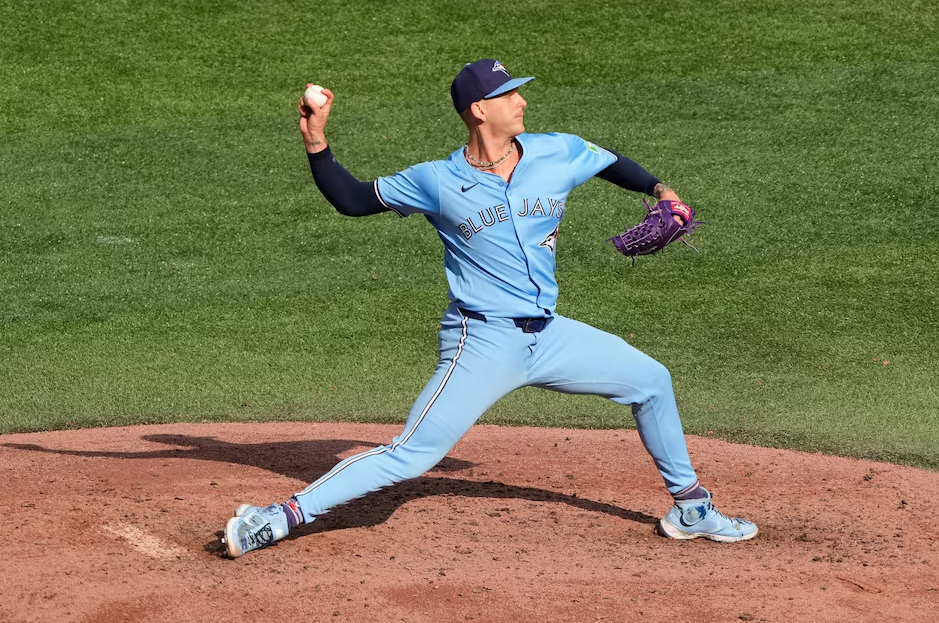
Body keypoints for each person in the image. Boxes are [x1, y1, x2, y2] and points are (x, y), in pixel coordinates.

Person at [222, 59, 757, 558]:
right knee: (413, 453)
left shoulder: (556, 151)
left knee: (651, 380)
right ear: (480, 110)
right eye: (510, 94)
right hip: (481, 342)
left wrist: (664, 192)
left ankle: (691, 508)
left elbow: (613, 163)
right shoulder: (436, 180)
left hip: (548, 336)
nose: (522, 102)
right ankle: (277, 517)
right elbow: (354, 200)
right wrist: (316, 140)